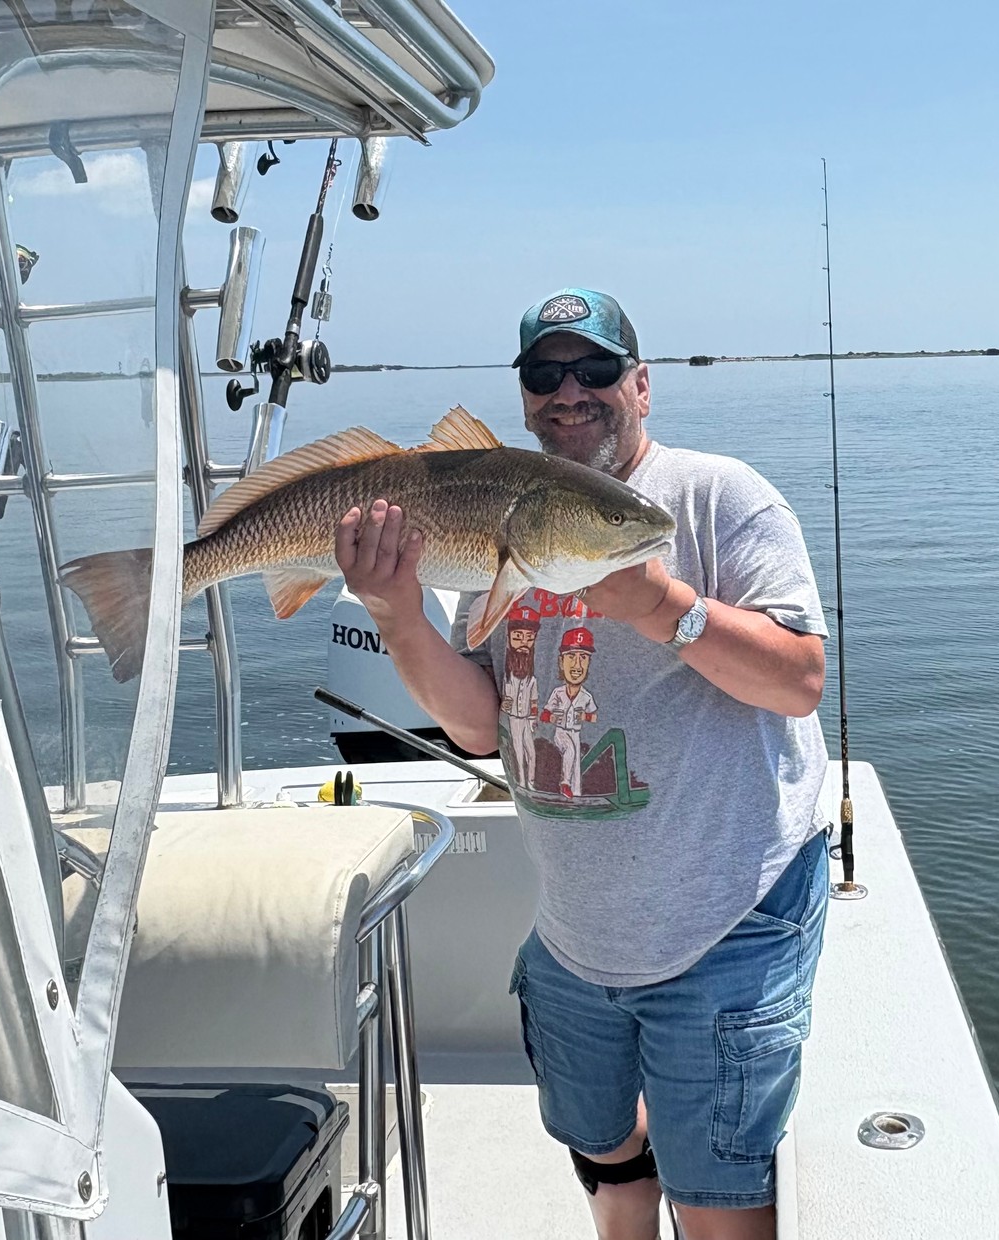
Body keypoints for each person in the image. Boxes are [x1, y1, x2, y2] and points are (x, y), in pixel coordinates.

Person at [335, 288, 830, 1240]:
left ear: (641, 386)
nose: (572, 391)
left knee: (721, 1200)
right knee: (603, 1152)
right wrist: (396, 612)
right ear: (523, 398)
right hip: (573, 933)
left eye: (597, 369)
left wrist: (663, 609)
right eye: (545, 374)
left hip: (727, 922)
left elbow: (800, 680)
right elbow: (482, 728)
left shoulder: (719, 498)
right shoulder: (499, 520)